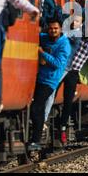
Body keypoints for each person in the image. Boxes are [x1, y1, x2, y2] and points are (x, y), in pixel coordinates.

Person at [27, 17, 71, 152]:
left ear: (61, 29)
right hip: (38, 77)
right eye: (51, 28)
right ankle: (35, 137)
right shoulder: (44, 37)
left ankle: (36, 140)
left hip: (50, 81)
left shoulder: (65, 45)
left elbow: (58, 63)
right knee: (35, 108)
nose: (53, 31)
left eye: (55, 28)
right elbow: (35, 34)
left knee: (36, 108)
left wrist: (43, 54)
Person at [59, 27, 88, 144]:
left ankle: (62, 127)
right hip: (63, 68)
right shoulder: (75, 38)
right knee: (50, 92)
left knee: (68, 101)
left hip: (73, 72)